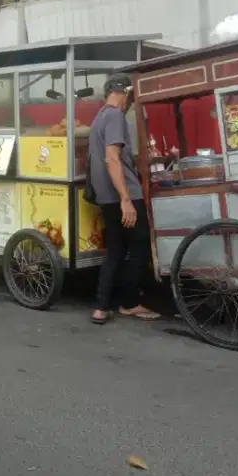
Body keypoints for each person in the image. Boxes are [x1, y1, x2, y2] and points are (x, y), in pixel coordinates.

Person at [89, 73, 160, 325]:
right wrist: (126, 200)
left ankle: (101, 307)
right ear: (127, 93)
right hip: (123, 195)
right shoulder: (116, 116)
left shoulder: (99, 117)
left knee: (116, 250)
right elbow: (111, 158)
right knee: (140, 246)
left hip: (106, 197)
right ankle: (129, 303)